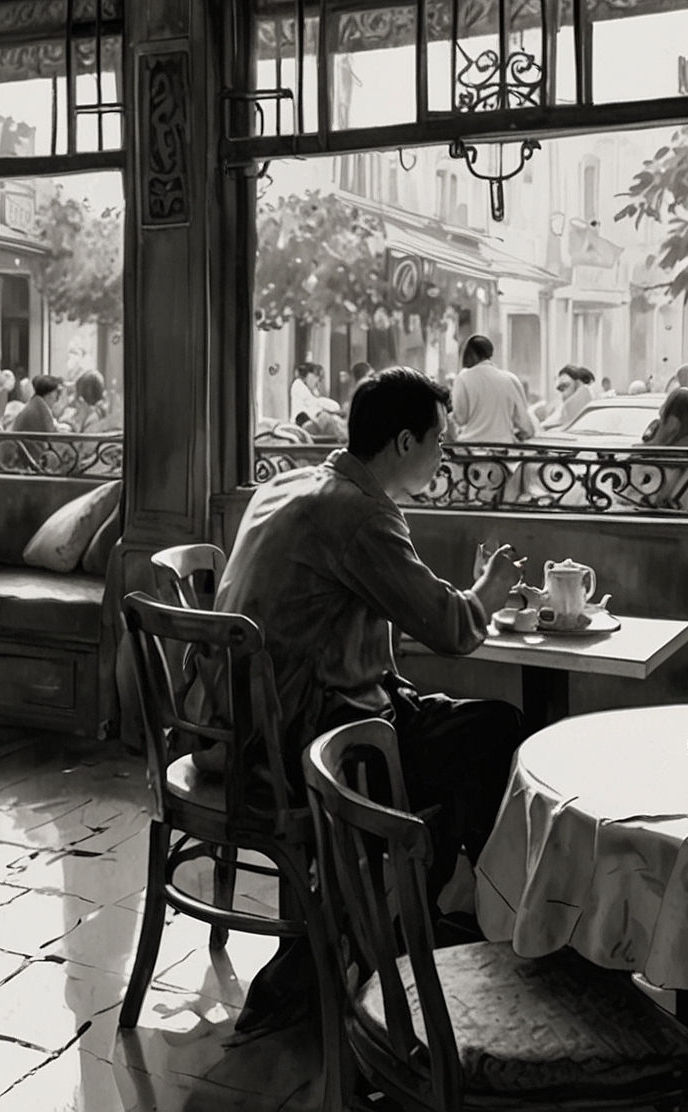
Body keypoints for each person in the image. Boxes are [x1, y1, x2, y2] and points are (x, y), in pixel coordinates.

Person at [213, 366, 524, 1035]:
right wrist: (490, 593)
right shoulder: (358, 513)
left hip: (237, 726)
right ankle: (442, 920)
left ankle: (408, 910)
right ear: (405, 442)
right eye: (440, 441)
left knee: (472, 733)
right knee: (503, 734)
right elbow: (447, 628)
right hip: (316, 741)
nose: (445, 457)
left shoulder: (292, 483)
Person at [448, 335, 536, 443]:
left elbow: (461, 418)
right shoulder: (510, 379)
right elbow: (527, 427)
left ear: (472, 355)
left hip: (471, 449)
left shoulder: (463, 378)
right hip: (504, 450)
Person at [546, 363, 594, 428]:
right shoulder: (561, 412)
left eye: (566, 386)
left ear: (579, 385)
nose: (563, 394)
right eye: (561, 389)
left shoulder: (593, 410)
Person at [288, 361, 335, 427]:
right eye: (315, 375)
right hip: (301, 420)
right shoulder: (298, 385)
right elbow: (312, 402)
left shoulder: (311, 389)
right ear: (308, 375)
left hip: (310, 418)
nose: (316, 379)